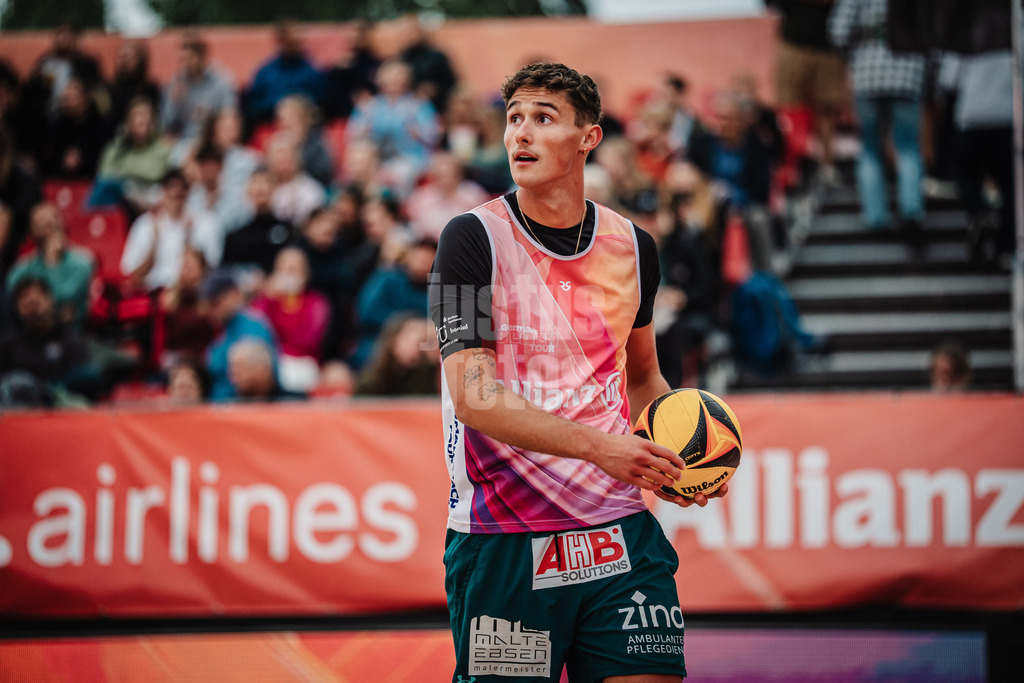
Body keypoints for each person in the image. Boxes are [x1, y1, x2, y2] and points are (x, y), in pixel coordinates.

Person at [429, 61, 725, 683]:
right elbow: (472, 395)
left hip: (618, 530)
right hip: (506, 535)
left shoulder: (633, 246)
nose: (521, 135)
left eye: (543, 119)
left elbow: (644, 378)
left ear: (588, 138)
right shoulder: (469, 238)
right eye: (513, 120)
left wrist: (683, 458)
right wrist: (604, 449)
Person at [830, 0, 927, 239]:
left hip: (867, 72)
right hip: (908, 70)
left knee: (870, 148)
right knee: (908, 147)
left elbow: (838, 31)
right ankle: (911, 211)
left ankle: (876, 217)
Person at [767, 0, 847, 185]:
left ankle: (827, 165)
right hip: (794, 42)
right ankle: (791, 165)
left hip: (829, 45)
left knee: (828, 108)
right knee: (789, 109)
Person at [0, 276, 104, 404]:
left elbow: (89, 377)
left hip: (59, 408)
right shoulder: (9, 344)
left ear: (50, 299)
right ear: (17, 307)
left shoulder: (69, 339)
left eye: (37, 299)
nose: (31, 303)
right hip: (18, 411)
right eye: (24, 298)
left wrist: (48, 388)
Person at [120, 169, 223, 291]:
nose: (177, 191)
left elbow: (209, 270)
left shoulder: (203, 223)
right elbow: (133, 274)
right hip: (150, 293)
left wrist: (188, 239)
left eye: (183, 188)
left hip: (187, 295)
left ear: (188, 192)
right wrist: (154, 245)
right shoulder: (145, 224)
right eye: (171, 187)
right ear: (163, 192)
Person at [250, 246, 331, 392]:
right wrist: (266, 297)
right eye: (284, 270)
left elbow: (308, 340)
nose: (288, 275)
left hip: (304, 363)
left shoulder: (316, 302)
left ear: (305, 274)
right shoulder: (269, 301)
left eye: (294, 269)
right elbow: (254, 328)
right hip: (273, 361)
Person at [6, 202, 95, 327]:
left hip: (70, 336)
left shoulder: (82, 263)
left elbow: (61, 298)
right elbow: (10, 291)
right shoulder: (24, 266)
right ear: (31, 232)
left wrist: (52, 261)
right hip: (28, 334)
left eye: (49, 225)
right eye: (40, 226)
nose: (46, 232)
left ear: (61, 226)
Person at [201, 270, 277, 402]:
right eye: (208, 303)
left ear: (234, 294)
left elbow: (257, 383)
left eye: (216, 302)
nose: (211, 310)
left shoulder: (253, 327)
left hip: (243, 410)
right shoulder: (220, 329)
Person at [161, 33, 237, 163]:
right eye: (182, 60)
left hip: (214, 142)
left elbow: (230, 116)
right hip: (183, 143)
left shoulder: (221, 82)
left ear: (201, 56)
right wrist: (175, 101)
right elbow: (165, 124)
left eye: (189, 58)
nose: (185, 64)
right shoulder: (176, 82)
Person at [93, 96, 171, 213]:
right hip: (117, 196)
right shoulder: (115, 148)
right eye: (135, 117)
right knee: (107, 187)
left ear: (153, 122)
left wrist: (124, 175)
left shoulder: (163, 150)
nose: (139, 121)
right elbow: (103, 175)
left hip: (147, 196)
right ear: (126, 123)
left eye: (144, 117)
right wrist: (126, 185)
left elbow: (155, 173)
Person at [245, 21, 326, 128]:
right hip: (271, 125)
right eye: (289, 42)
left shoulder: (313, 72)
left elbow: (322, 105)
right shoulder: (266, 72)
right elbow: (253, 104)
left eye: (296, 42)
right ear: (280, 41)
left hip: (305, 128)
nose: (294, 46)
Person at [355, 313, 439, 396]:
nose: (417, 349)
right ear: (393, 341)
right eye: (410, 341)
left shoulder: (426, 374)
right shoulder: (372, 380)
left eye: (422, 342)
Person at [226, 336, 303, 402]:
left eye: (241, 369)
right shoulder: (225, 408)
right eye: (233, 369)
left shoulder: (297, 404)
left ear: (263, 370)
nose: (234, 376)